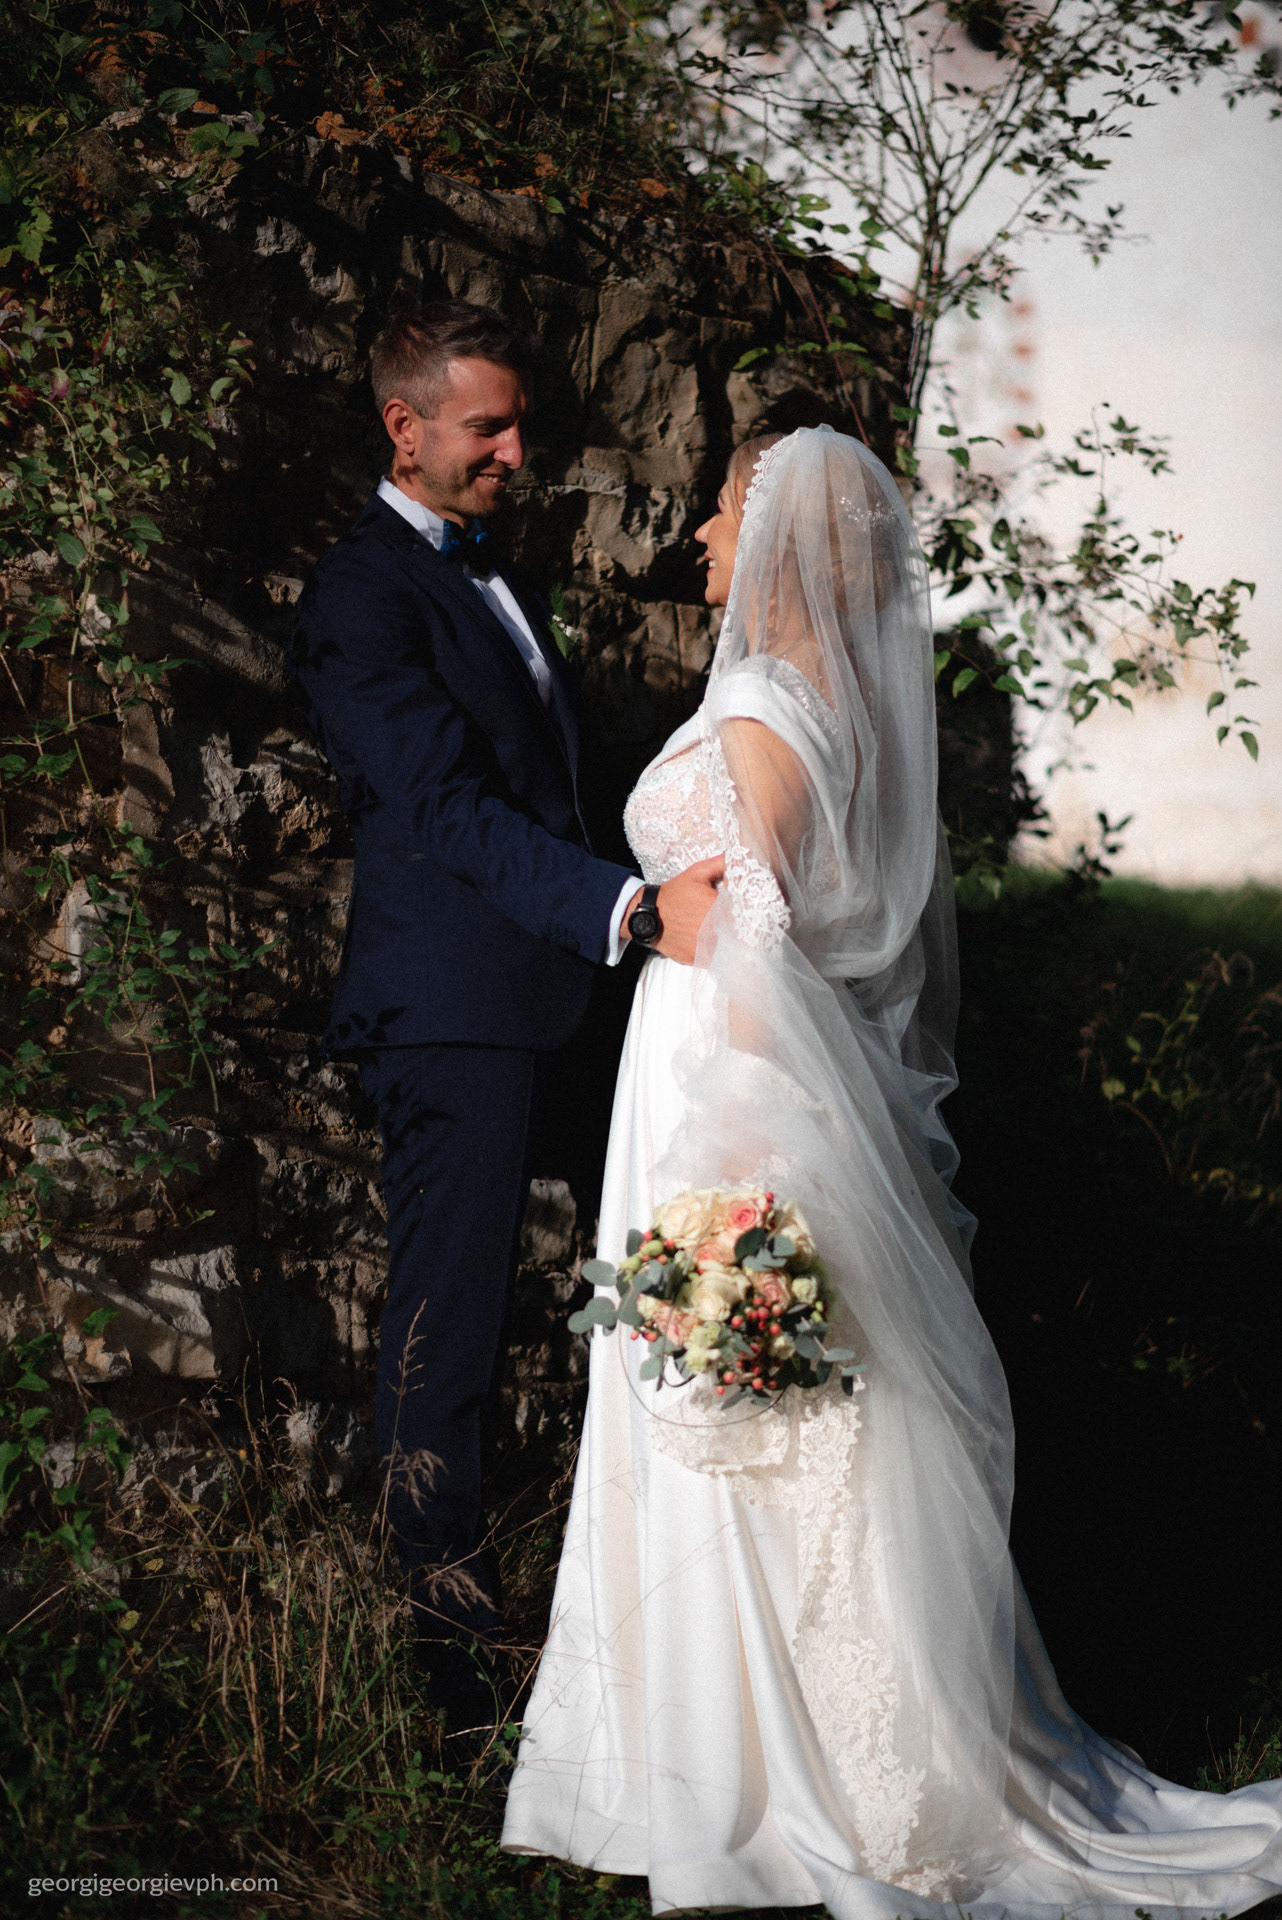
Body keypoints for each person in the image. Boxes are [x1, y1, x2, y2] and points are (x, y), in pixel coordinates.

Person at [501, 424, 1282, 1917]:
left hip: (720, 1081)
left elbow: (757, 933)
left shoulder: (760, 706)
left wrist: (728, 1179)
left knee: (751, 1421)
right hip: (738, 1066)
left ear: (774, 537)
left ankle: (756, 1774)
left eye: (722, 513)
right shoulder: (827, 701)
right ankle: (708, 1750)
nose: (701, 538)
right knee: (790, 1426)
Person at [288, 301, 723, 1729]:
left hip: (572, 1000)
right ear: (403, 427)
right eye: (489, 429)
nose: (516, 454)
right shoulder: (359, 598)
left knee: (662, 1282)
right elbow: (446, 809)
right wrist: (632, 911)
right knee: (450, 1339)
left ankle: (683, 1618)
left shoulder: (497, 576)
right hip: (455, 1016)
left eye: (520, 427)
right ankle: (456, 1685)